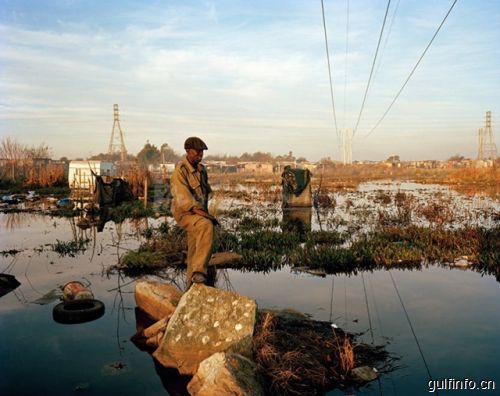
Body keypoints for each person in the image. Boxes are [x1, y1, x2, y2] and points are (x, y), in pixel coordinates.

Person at [170, 137, 216, 288]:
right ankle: (199, 274)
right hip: (185, 214)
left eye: (202, 152)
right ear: (188, 151)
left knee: (194, 253)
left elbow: (204, 195)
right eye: (197, 152)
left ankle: (190, 289)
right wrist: (207, 217)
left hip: (198, 213)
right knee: (206, 226)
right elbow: (185, 201)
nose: (200, 155)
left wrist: (206, 212)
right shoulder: (180, 171)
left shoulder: (202, 171)